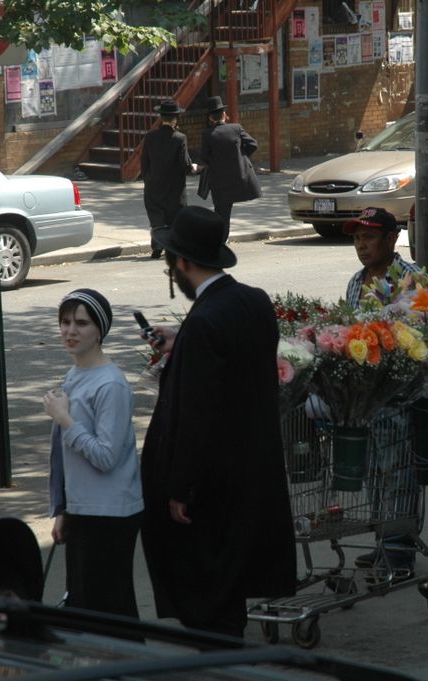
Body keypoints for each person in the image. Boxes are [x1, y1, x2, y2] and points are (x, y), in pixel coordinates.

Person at [139, 205, 295, 637]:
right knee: (233, 583)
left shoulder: (206, 320)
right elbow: (236, 357)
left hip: (214, 483)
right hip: (253, 470)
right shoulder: (253, 301)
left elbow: (198, 414)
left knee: (211, 598)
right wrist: (181, 339)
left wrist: (180, 488)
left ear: (183, 262)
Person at [43, 288, 144, 617]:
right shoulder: (76, 375)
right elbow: (66, 461)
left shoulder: (110, 384)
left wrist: (65, 420)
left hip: (110, 513)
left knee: (108, 610)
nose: (70, 331)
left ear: (100, 330)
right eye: (65, 322)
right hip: (84, 509)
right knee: (85, 605)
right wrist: (65, 509)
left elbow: (105, 456)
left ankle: (120, 666)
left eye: (82, 323)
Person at [342, 207, 423, 579]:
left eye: (369, 237)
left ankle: (400, 552)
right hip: (365, 397)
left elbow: (422, 339)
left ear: (392, 239)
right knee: (374, 470)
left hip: (399, 394)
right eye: (357, 238)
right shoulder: (356, 282)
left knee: (399, 471)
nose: (362, 245)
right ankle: (383, 543)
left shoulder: (411, 279)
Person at [199, 95, 262, 239]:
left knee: (222, 210)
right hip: (237, 177)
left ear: (210, 118)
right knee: (225, 210)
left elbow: (204, 157)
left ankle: (220, 238)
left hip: (219, 180)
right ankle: (221, 238)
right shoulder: (236, 128)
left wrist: (215, 162)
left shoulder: (207, 134)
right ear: (224, 115)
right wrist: (241, 156)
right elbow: (253, 144)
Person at [141, 98, 196, 259]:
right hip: (175, 187)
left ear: (161, 117)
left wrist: (148, 180)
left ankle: (157, 245)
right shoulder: (180, 138)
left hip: (154, 185)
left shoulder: (150, 137)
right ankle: (172, 247)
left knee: (157, 218)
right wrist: (193, 168)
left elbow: (144, 163)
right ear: (175, 118)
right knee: (174, 218)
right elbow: (184, 163)